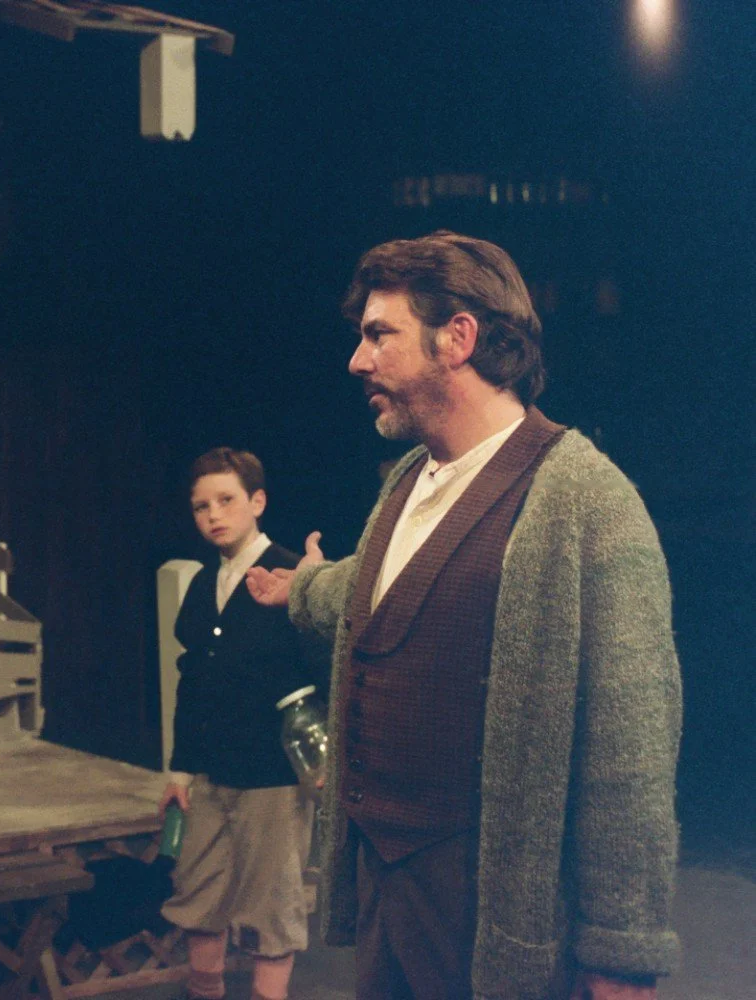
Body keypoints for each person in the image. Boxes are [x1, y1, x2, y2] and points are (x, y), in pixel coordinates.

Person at [246, 232, 681, 999]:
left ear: (459, 338)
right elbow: (388, 587)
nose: (357, 360)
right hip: (389, 898)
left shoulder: (587, 503)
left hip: (498, 919)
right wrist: (303, 589)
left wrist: (620, 952)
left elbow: (631, 751)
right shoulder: (410, 480)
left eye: (379, 334)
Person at [160, 448, 324, 1000]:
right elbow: (193, 681)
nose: (212, 514)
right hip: (209, 775)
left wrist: (324, 758)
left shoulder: (290, 574)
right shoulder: (205, 586)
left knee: (271, 908)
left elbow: (326, 674)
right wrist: (180, 772)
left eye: (226, 500)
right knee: (198, 896)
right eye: (200, 505)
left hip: (273, 777)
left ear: (257, 501)